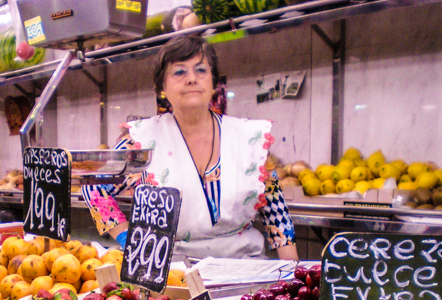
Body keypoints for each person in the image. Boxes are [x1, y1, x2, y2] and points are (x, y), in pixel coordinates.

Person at [83, 35, 298, 261]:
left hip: (245, 267)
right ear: (161, 86)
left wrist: (293, 272)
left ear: (213, 81)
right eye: (179, 72)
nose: (192, 79)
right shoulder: (140, 140)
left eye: (201, 70)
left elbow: (277, 213)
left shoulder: (251, 138)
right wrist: (128, 237)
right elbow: (93, 187)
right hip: (172, 271)